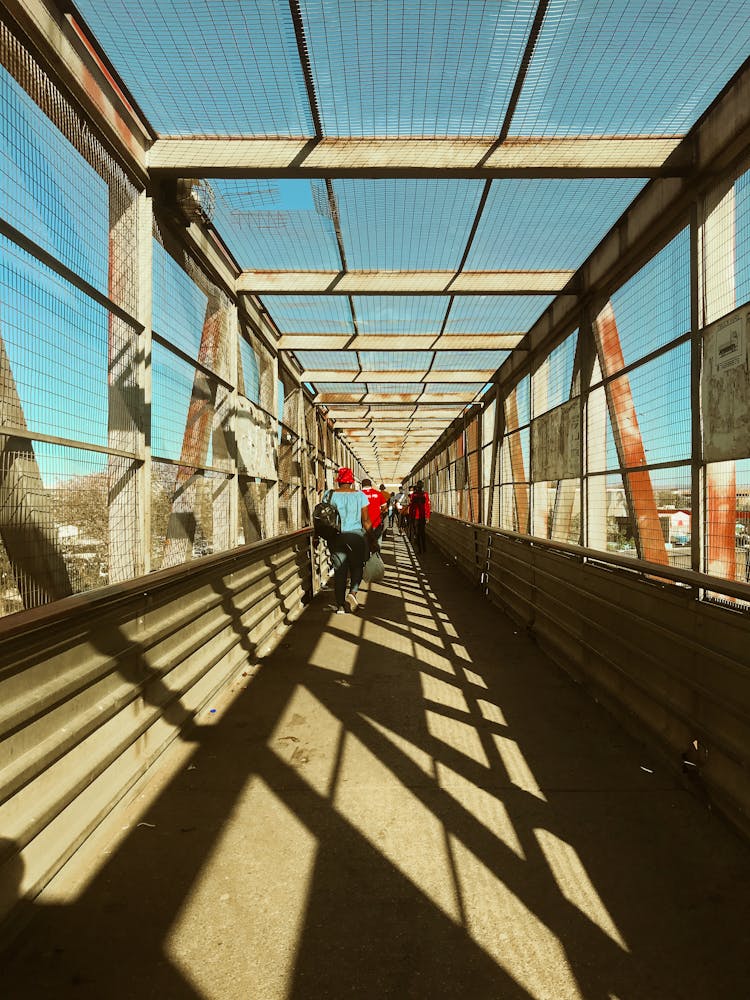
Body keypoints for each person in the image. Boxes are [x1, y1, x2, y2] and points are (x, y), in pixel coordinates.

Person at [326, 467, 374, 614]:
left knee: (340, 571)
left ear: (339, 481)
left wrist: (317, 536)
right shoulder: (360, 496)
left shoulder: (330, 495)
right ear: (352, 482)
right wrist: (372, 539)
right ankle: (352, 593)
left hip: (337, 537)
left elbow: (323, 518)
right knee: (357, 567)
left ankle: (340, 606)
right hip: (356, 537)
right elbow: (366, 520)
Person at [361, 478, 389, 548]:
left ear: (362, 485)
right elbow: (384, 507)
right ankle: (376, 556)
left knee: (365, 545)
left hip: (363, 524)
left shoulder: (358, 494)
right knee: (377, 543)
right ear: (371, 485)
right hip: (376, 523)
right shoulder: (378, 494)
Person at [409, 481, 431, 553]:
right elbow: (427, 506)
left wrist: (411, 516)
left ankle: (421, 549)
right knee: (421, 532)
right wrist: (427, 517)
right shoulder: (424, 494)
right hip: (421, 516)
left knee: (418, 533)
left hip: (417, 516)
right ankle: (423, 548)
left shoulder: (415, 495)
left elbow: (412, 507)